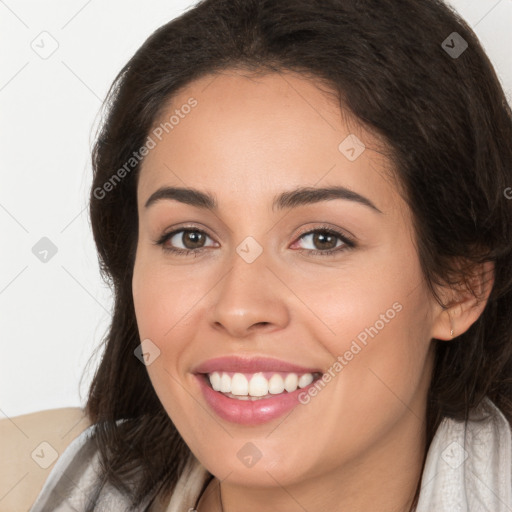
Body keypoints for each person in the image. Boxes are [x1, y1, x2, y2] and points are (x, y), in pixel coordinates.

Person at [30, 0, 512, 510]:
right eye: (190, 238)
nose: (238, 308)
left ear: (460, 285)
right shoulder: (21, 476)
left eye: (322, 239)